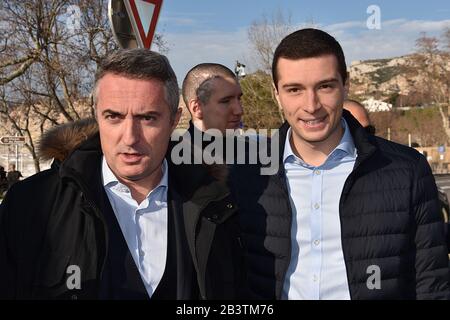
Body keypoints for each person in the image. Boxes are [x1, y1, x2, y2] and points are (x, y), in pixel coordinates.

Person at [0, 49, 243, 300]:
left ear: (174, 120)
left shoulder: (218, 204)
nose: (130, 138)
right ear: (96, 115)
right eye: (114, 116)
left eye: (147, 118)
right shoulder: (29, 205)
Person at [230, 28, 450, 299]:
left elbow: (432, 282)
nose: (311, 105)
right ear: (276, 93)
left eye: (325, 86)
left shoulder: (408, 171)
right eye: (294, 89)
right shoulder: (246, 175)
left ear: (345, 84)